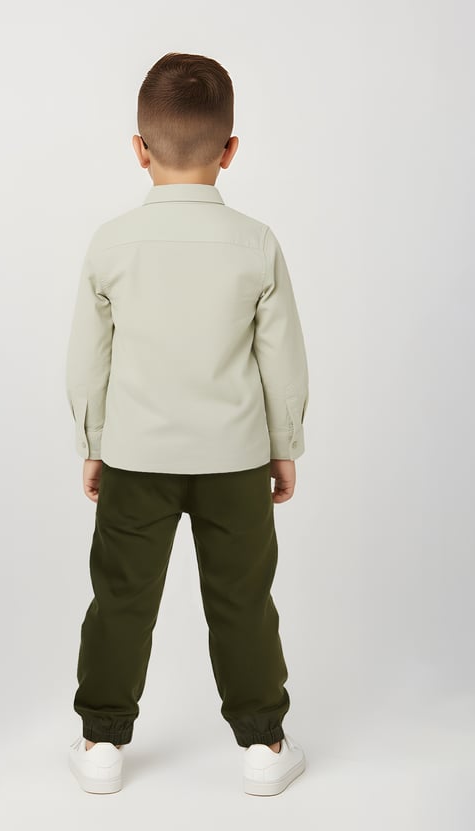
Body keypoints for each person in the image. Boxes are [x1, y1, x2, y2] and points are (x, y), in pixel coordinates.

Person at [65, 52, 309, 796]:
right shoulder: (255, 242)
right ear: (229, 150)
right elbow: (281, 358)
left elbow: (89, 358)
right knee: (242, 600)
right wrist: (284, 445)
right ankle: (264, 744)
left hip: (135, 455)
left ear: (139, 149)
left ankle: (101, 743)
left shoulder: (111, 242)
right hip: (235, 458)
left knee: (121, 598)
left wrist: (93, 442)